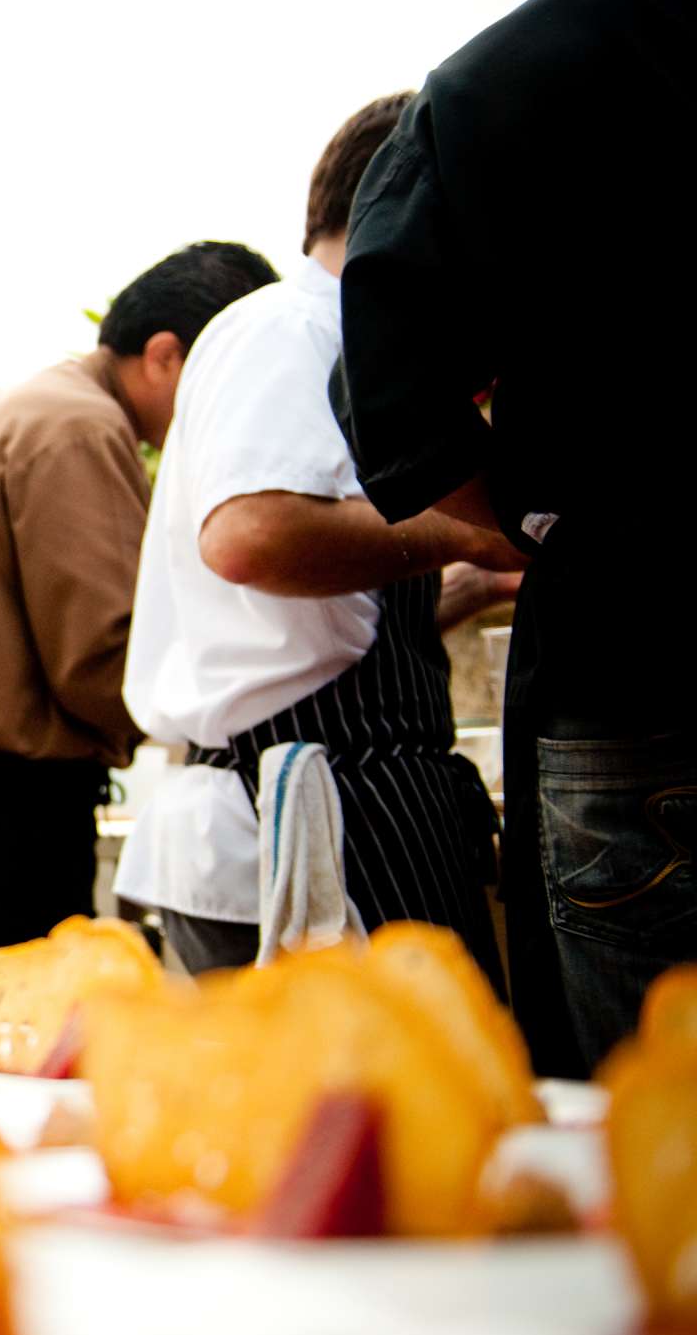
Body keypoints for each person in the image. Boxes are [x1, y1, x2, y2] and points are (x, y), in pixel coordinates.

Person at [331, 0, 697, 1071]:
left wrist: (542, 528)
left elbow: (390, 391)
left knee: (651, 1153)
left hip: (639, 655)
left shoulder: (507, 78)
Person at [119, 93, 523, 980]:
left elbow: (320, 629)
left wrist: (484, 581)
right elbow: (253, 539)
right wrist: (465, 527)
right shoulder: (288, 328)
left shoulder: (339, 342)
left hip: (350, 802)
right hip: (303, 816)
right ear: (419, 206)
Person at [0, 242, 279, 963]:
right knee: (6, 1060)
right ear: (164, 357)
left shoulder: (47, 407)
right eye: (228, 375)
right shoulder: (79, 429)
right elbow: (105, 658)